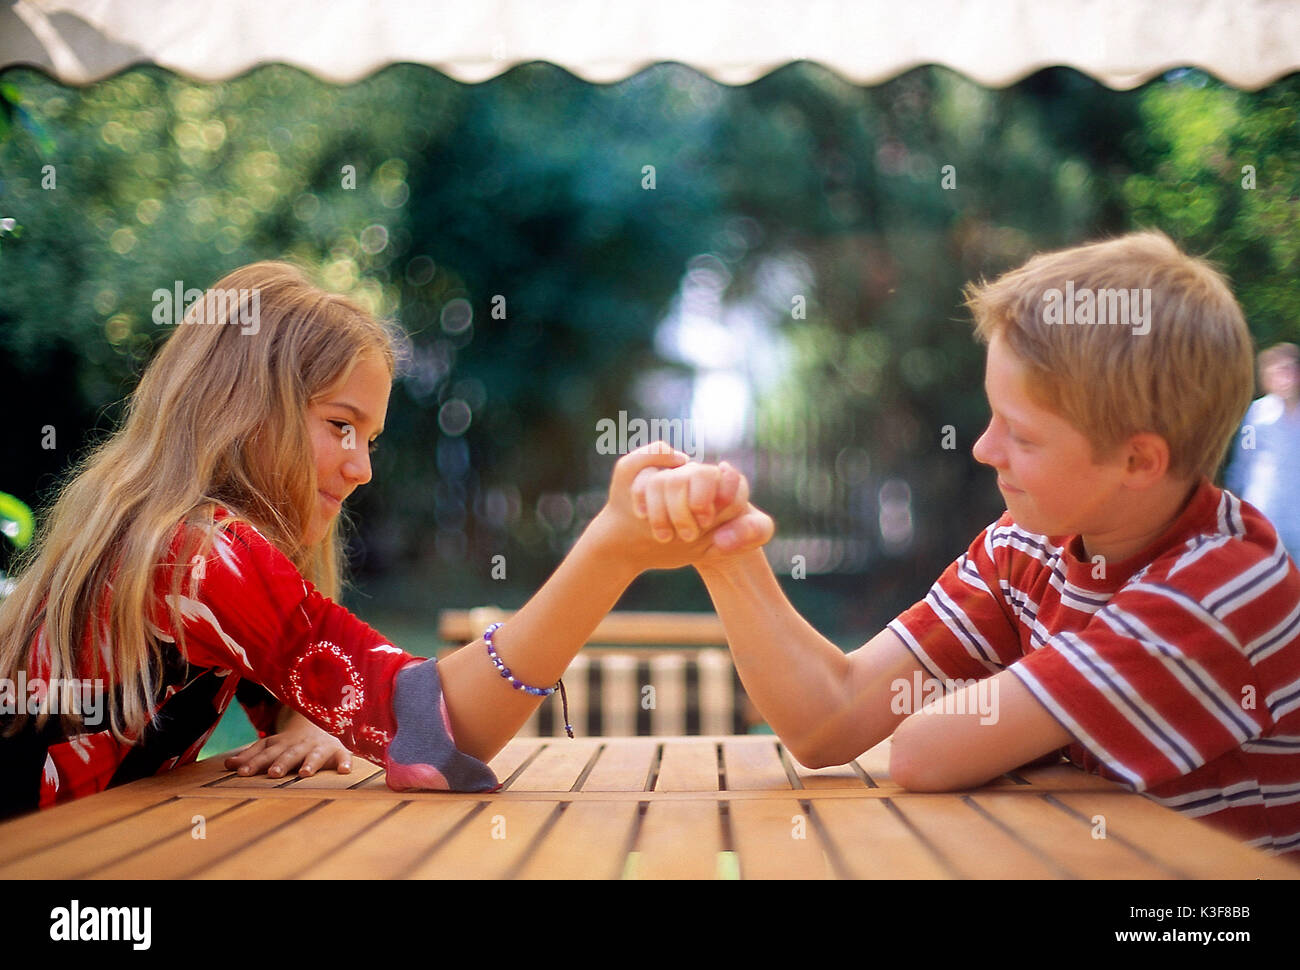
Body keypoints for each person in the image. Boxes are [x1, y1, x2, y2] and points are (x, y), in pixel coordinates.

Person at [0, 261, 761, 819]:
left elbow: (308, 692)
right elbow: (427, 728)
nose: (360, 468)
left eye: (370, 437)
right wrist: (610, 550)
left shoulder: (167, 537)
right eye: (340, 425)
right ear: (246, 408)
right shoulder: (197, 555)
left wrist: (312, 717)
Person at [631, 232, 1300, 859]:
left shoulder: (1222, 585)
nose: (984, 449)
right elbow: (826, 720)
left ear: (1138, 461)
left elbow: (924, 754)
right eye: (991, 416)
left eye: (1023, 435)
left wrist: (997, 720)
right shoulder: (1028, 548)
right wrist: (728, 556)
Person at [1225, 342, 1300, 561]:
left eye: (1290, 369)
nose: (1286, 377)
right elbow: (1243, 460)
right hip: (1266, 509)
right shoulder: (1257, 415)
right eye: (1279, 371)